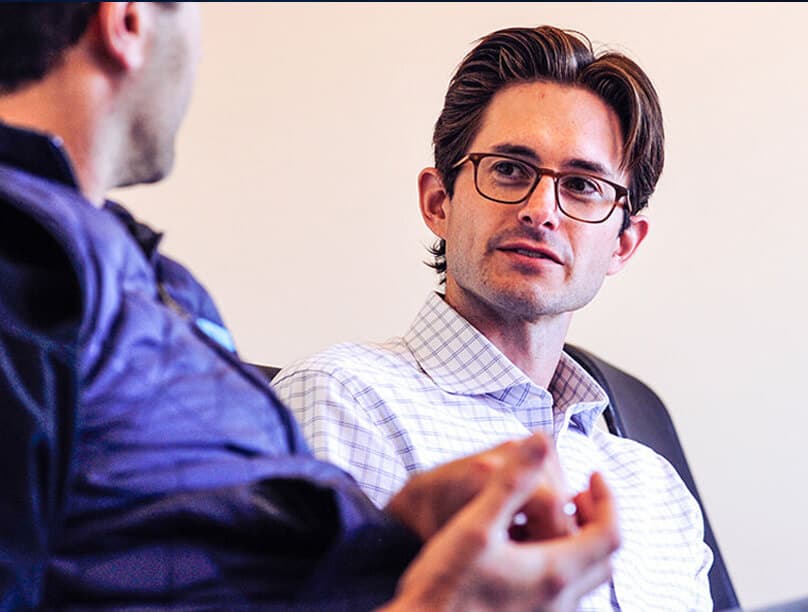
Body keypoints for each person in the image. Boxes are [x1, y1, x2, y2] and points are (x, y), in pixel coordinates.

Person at [0, 4, 623, 610]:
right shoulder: (24, 262)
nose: (543, 209)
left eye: (583, 185)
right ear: (127, 21)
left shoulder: (156, 284)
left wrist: (394, 540)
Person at [273, 25, 714, 610]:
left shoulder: (656, 488)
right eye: (509, 169)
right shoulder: (342, 399)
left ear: (623, 244)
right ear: (439, 202)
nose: (540, 212)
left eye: (582, 186)